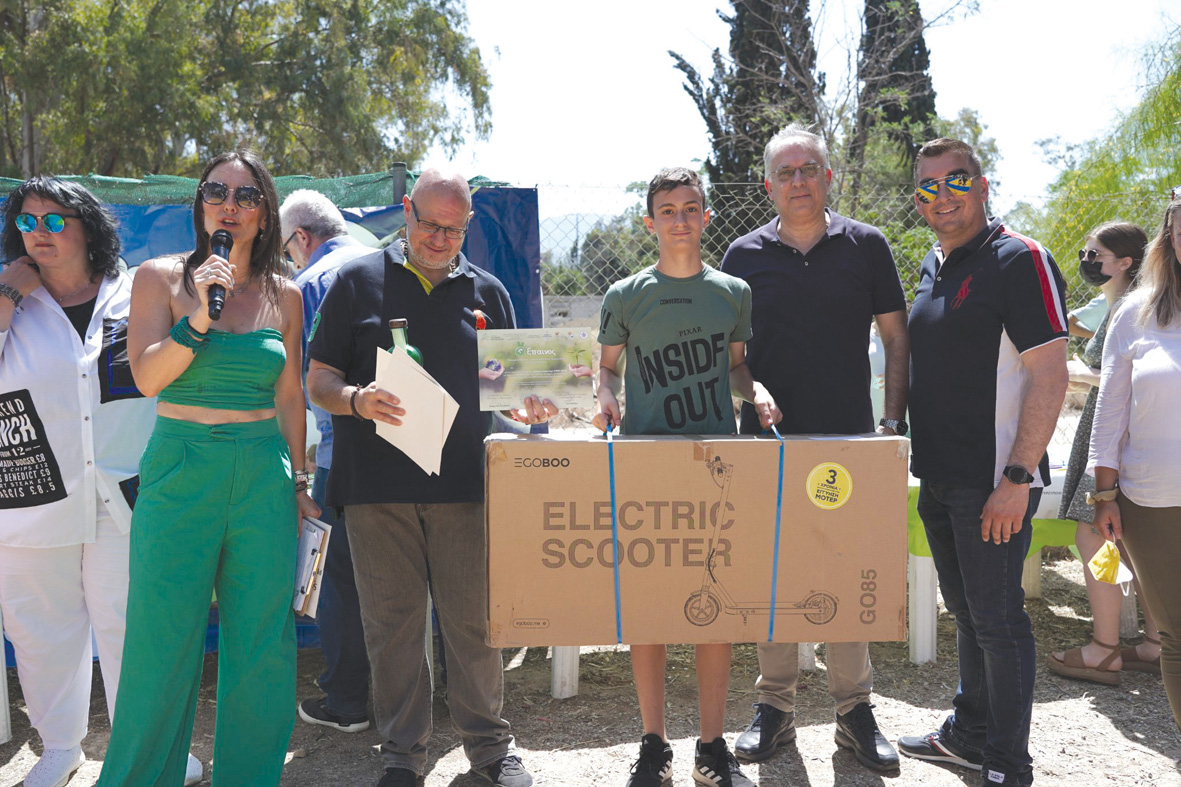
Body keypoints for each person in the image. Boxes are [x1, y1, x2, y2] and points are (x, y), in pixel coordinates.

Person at [306, 168, 546, 787]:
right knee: (394, 628)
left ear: (469, 225)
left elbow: (511, 390)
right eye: (430, 225)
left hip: (466, 487)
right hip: (376, 491)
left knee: (474, 624)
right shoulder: (356, 281)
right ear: (406, 210)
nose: (440, 239)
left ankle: (490, 749)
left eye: (454, 230)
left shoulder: (489, 292)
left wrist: (529, 404)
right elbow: (318, 380)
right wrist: (356, 400)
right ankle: (402, 755)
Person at [98, 147, 318, 786]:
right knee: (160, 642)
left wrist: (300, 483)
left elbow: (290, 394)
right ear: (199, 205)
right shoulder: (159, 278)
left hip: (263, 472)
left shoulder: (286, 294)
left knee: (261, 644)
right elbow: (148, 377)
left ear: (265, 213)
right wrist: (199, 315)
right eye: (216, 191)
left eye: (246, 196)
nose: (230, 205)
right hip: (181, 465)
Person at [719, 123, 908, 773]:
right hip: (767, 444)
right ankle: (774, 707)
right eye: (785, 172)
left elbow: (896, 337)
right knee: (772, 573)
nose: (797, 181)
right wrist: (753, 389)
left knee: (841, 570)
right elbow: (731, 358)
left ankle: (854, 710)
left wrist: (891, 421)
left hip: (847, 441)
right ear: (767, 184)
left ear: (827, 176)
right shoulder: (742, 255)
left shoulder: (866, 244)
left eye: (808, 170)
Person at [0, 177, 202, 787]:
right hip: (32, 497)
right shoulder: (11, 297)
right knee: (42, 633)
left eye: (54, 220)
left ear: (88, 227)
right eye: (27, 222)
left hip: (129, 492)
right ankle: (61, 749)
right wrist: (9, 290)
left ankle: (151, 748)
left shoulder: (136, 289)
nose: (39, 233)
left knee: (134, 628)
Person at [592, 166, 781, 787]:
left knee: (714, 604)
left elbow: (737, 367)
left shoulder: (732, 291)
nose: (680, 219)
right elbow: (607, 370)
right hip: (646, 466)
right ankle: (654, 743)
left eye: (691, 208)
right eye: (668, 210)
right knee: (649, 610)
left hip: (714, 466)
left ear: (706, 216)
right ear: (650, 222)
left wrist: (756, 391)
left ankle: (711, 745)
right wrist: (606, 395)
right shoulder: (625, 295)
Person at [899, 138, 1068, 787]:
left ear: (983, 184)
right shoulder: (933, 262)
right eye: (928, 186)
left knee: (998, 622)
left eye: (956, 180)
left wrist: (1017, 478)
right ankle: (968, 736)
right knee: (969, 616)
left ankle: (1007, 762)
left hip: (995, 480)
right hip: (939, 476)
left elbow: (1049, 376)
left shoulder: (1018, 258)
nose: (942, 195)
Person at [280, 189, 375, 733]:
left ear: (302, 237)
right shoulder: (381, 266)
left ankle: (346, 701)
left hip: (341, 456)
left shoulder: (307, 285)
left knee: (336, 578)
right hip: (408, 451)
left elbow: (298, 387)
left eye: (287, 249)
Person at [1049, 222, 1160, 684]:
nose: (1086, 261)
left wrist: (1079, 374)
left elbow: (1125, 378)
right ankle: (1155, 644)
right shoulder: (1130, 303)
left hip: (1111, 435)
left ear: (1125, 262)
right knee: (1132, 546)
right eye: (1084, 253)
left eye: (1095, 255)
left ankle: (1104, 648)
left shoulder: (1130, 308)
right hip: (1123, 433)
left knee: (1095, 539)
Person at [1088, 195, 1181, 728]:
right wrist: (1104, 494)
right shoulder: (1136, 311)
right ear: (1169, 238)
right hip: (1153, 500)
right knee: (1177, 634)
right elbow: (1111, 409)